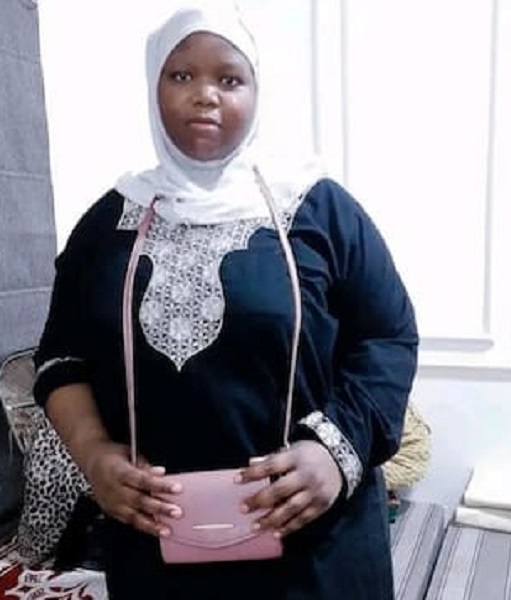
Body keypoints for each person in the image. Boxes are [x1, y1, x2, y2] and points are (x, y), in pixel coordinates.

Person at [33, 1, 418, 598]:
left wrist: (333, 453)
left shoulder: (316, 209)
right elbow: (62, 357)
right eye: (181, 75)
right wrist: (94, 454)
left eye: (229, 79)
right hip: (159, 551)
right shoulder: (108, 225)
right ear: (153, 87)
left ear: (257, 93)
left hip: (317, 554)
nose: (205, 95)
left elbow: (388, 337)